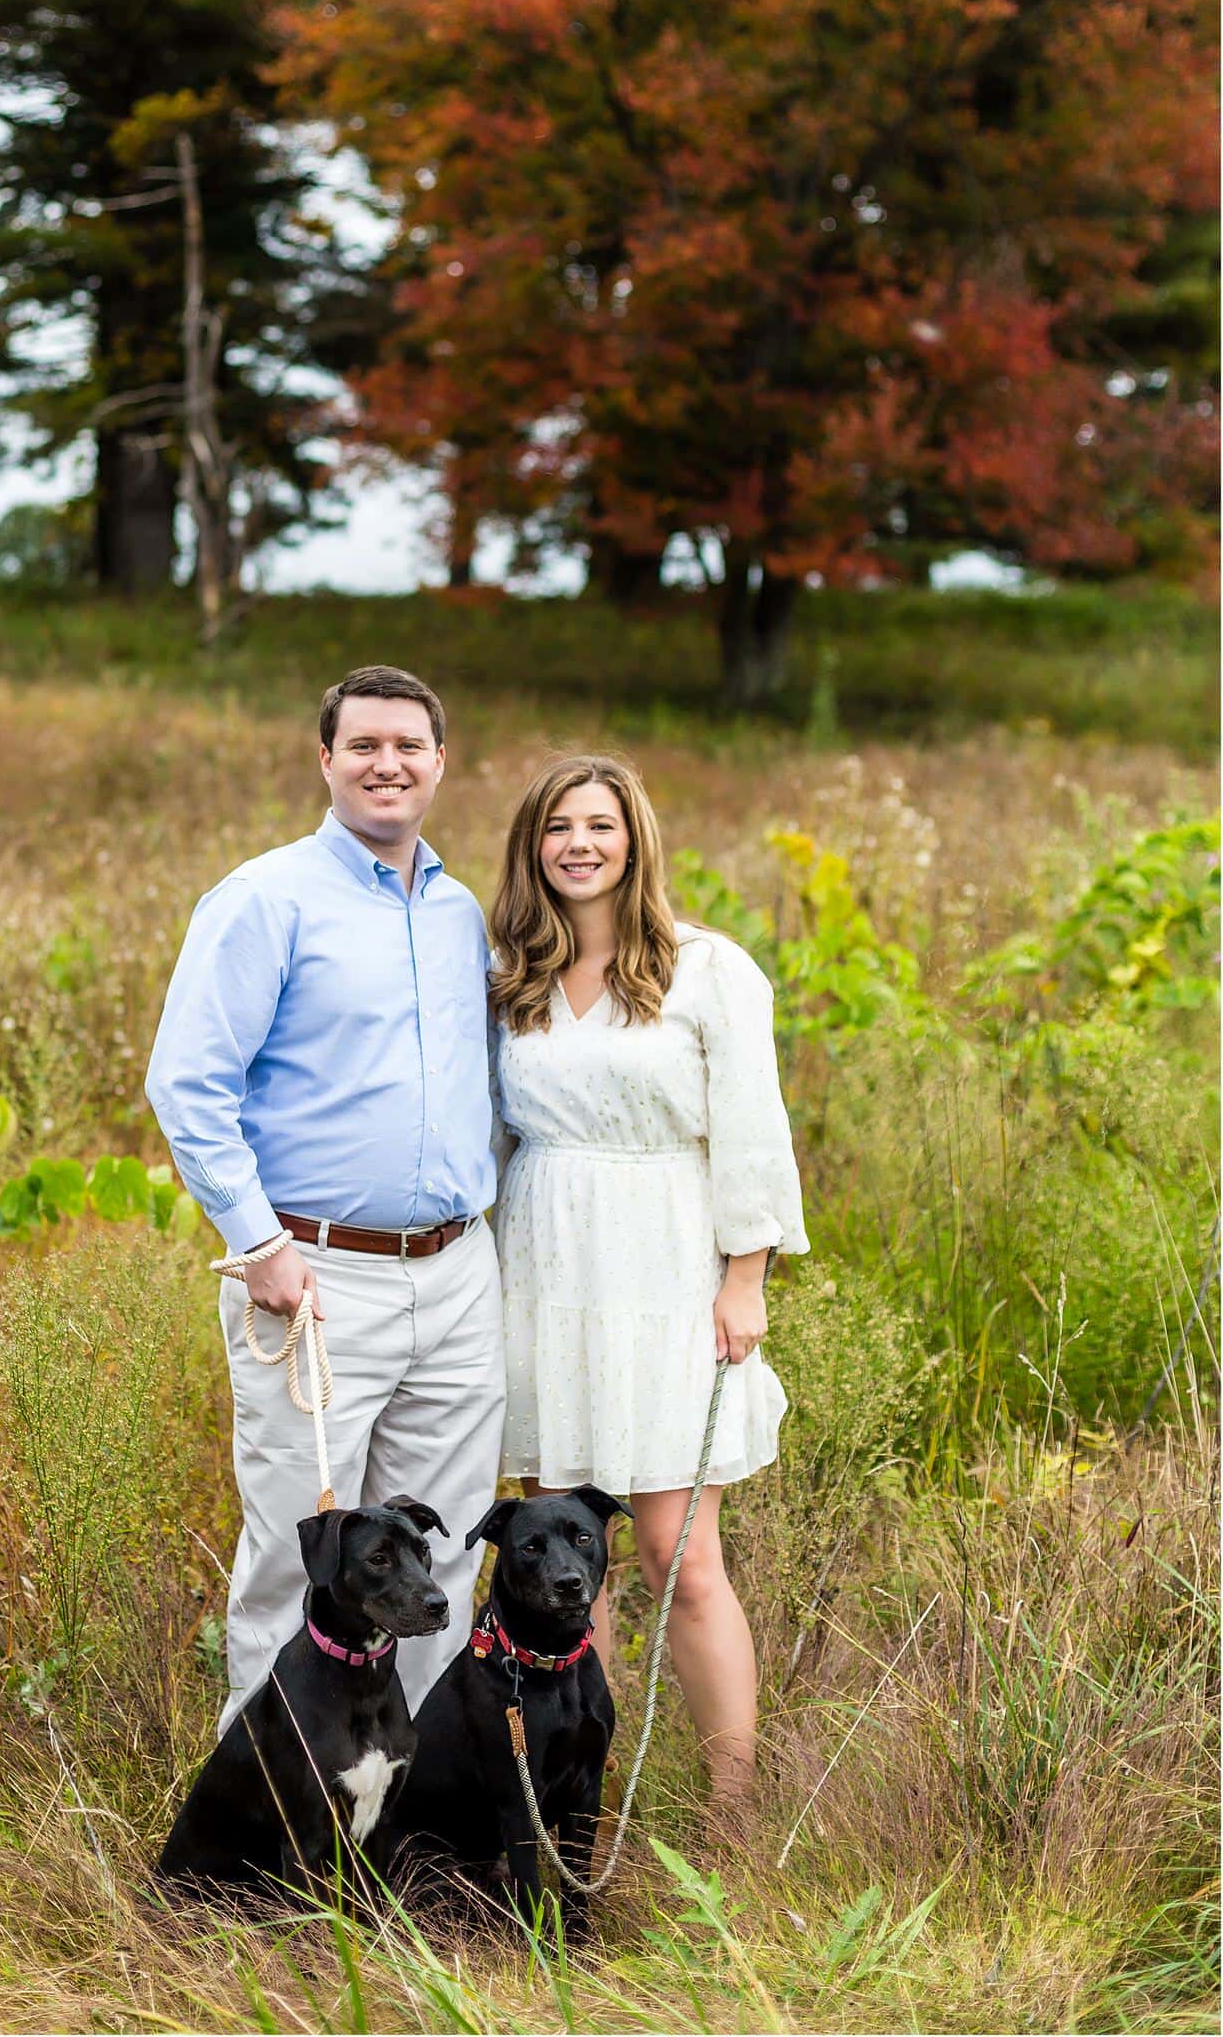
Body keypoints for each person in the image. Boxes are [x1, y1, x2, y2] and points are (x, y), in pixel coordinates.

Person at [145, 665, 504, 1735]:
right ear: (326, 760)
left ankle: (412, 1826)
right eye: (363, 746)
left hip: (454, 1274)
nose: (387, 764)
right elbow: (187, 1084)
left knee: (437, 1570)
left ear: (440, 762)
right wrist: (257, 1245)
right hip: (313, 1275)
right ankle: (267, 1835)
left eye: (408, 746)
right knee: (294, 1557)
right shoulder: (264, 898)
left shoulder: (457, 912)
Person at [487, 752, 808, 1811]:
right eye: (557, 828)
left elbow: (752, 1135)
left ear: (634, 840)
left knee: (676, 1551)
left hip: (667, 1267)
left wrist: (744, 1276)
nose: (579, 844)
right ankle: (578, 1803)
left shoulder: (707, 968)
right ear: (533, 848)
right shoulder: (509, 976)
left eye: (600, 825)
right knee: (562, 1556)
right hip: (544, 1270)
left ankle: (730, 1812)